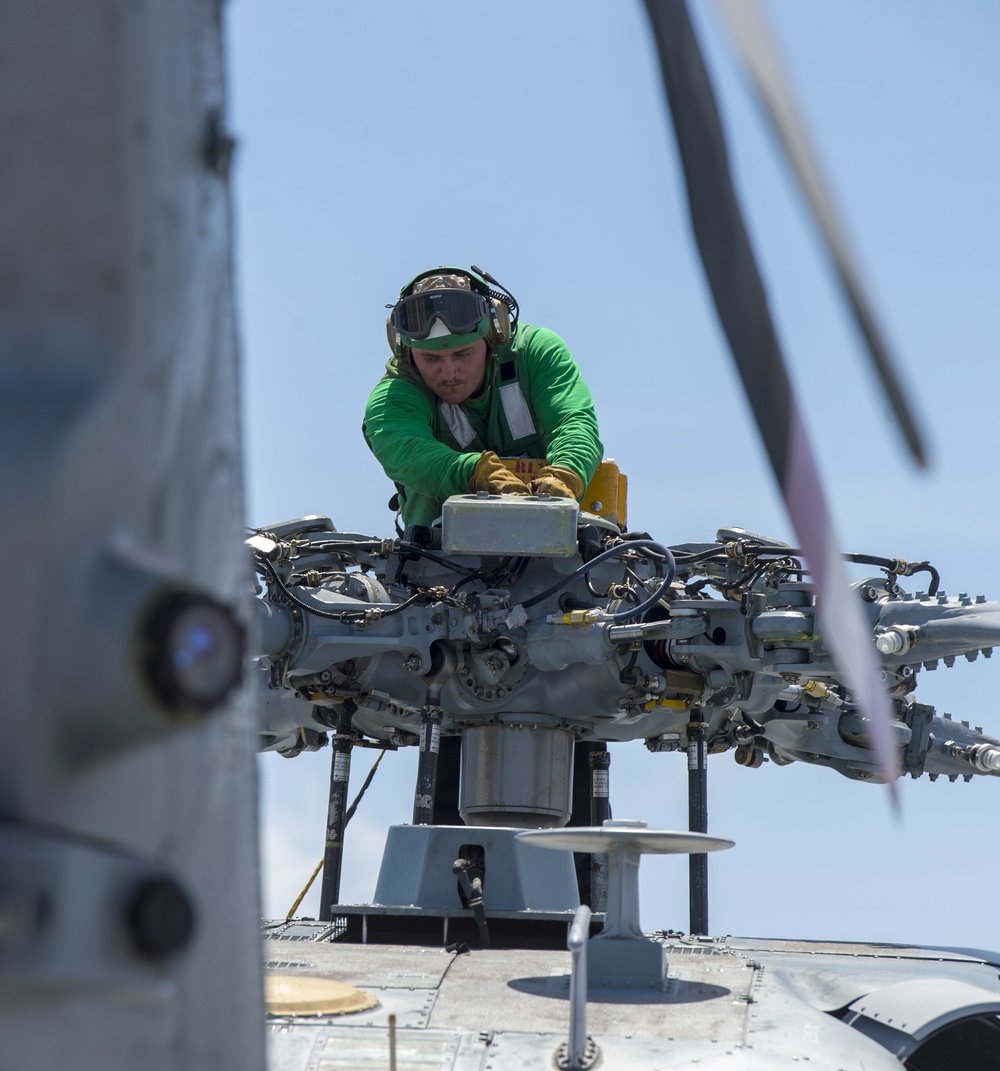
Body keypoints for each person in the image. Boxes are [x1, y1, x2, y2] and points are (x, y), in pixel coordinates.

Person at [363, 265, 604, 527]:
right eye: (431, 358)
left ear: (494, 334)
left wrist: (566, 474)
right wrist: (472, 473)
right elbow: (406, 449)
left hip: (560, 550)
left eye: (462, 354)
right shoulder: (396, 393)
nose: (448, 372)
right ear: (404, 349)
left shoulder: (536, 353)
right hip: (437, 559)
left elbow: (573, 424)